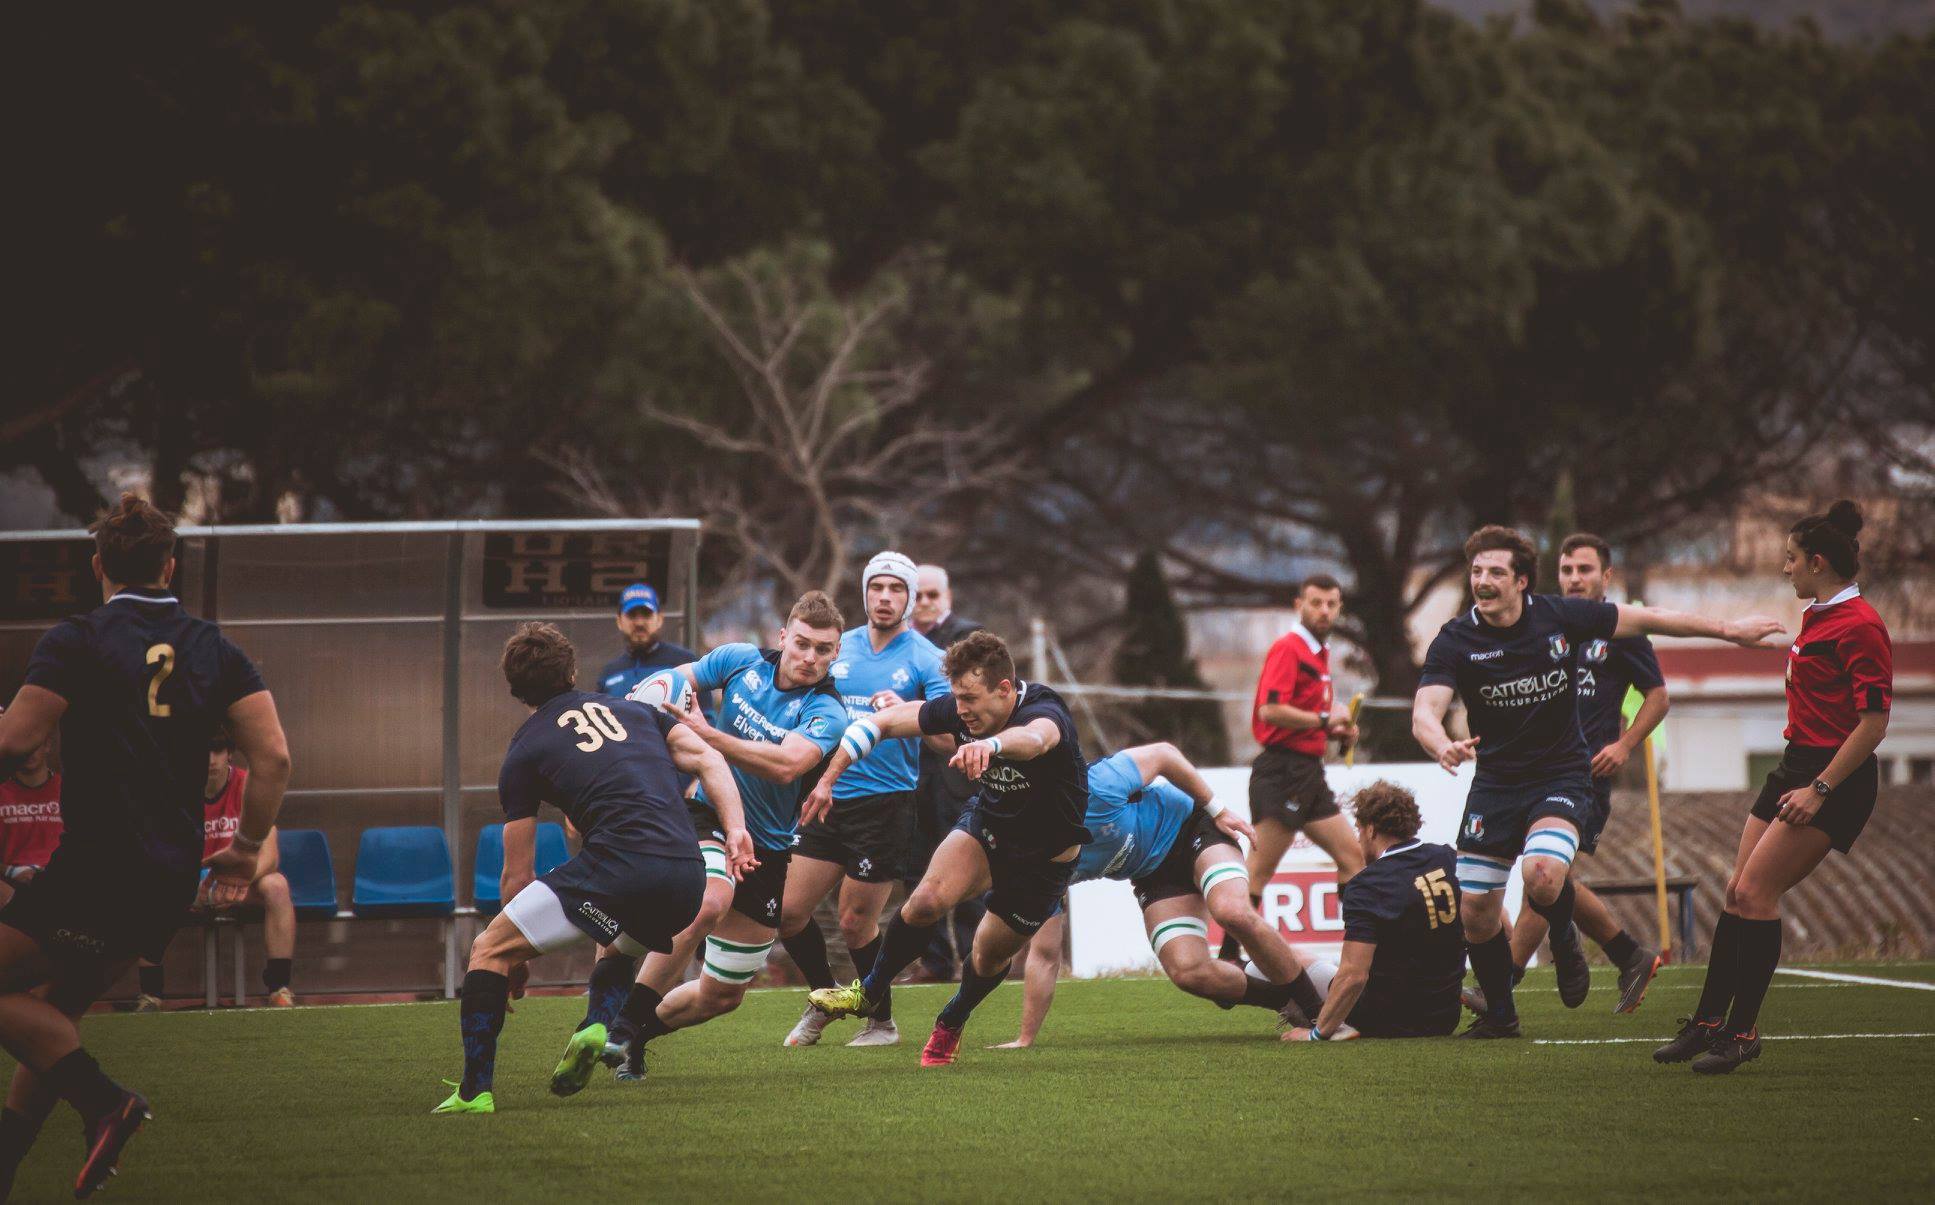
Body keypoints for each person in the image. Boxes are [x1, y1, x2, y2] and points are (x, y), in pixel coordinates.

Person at [0, 493, 291, 1197]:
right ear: (170, 565)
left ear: (97, 565)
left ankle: (105, 1100)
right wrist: (248, 846)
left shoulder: (78, 637)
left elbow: (14, 740)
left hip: (99, 871)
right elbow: (274, 757)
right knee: (54, 1012)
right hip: (167, 880)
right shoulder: (214, 647)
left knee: (37, 1010)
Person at [1412, 524, 1780, 1038]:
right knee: (1476, 910)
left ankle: (1574, 938)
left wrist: (1729, 631)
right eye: (1476, 571)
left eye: (1495, 571)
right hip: (1494, 783)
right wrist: (1439, 743)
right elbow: (1424, 711)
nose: (1483, 581)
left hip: (1562, 773)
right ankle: (1502, 1015)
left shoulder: (1561, 616)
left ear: (1521, 581)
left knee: (1542, 874)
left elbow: (1653, 618)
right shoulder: (1456, 638)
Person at [434, 623, 744, 1114]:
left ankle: (474, 1092)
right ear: (573, 671)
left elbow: (519, 874)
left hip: (620, 867)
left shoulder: (523, 750)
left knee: (488, 949)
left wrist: (515, 958)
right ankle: (597, 1024)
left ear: (514, 690)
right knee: (618, 940)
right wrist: (736, 830)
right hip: (686, 874)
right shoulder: (637, 712)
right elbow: (710, 758)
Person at [1654, 501, 1890, 1074]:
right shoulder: (1820, 615)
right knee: (1737, 891)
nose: (1785, 570)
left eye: (1790, 560)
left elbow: (1874, 723)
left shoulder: (1861, 625)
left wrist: (1821, 790)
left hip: (1834, 778)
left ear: (1817, 563)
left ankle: (1743, 1033)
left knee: (1758, 895)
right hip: (1794, 765)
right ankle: (1708, 1022)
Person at [595, 592, 849, 1082]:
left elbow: (787, 765)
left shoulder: (827, 710)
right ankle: (620, 1026)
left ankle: (637, 1036)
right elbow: (679, 680)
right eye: (802, 644)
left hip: (769, 850)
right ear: (782, 637)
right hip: (707, 815)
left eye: (823, 649)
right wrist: (647, 699)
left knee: (723, 995)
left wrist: (705, 734)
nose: (810, 657)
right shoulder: (740, 660)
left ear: (836, 653)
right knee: (710, 899)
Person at [806, 631, 1091, 1067]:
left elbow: (1035, 741)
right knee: (924, 901)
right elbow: (880, 724)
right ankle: (869, 991)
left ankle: (952, 1019)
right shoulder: (960, 713)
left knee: (988, 952)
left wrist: (991, 745)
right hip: (990, 828)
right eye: (956, 698)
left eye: (970, 699)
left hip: (1044, 858)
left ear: (1004, 689)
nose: (960, 710)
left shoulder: (1044, 711)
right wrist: (828, 777)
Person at [993, 742, 1328, 1049]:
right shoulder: (1039, 865)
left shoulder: (1097, 785)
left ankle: (1321, 1019)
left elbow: (1165, 754)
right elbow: (1045, 955)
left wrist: (1218, 809)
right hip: (1154, 874)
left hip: (1192, 828)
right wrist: (1025, 1038)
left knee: (1231, 911)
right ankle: (1291, 999)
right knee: (1188, 971)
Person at [1464, 533, 1670, 1016]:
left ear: (1607, 576)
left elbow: (1658, 697)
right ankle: (1628, 955)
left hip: (1583, 772)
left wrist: (1623, 745)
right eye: (1567, 570)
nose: (1575, 579)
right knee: (1545, 875)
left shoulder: (1620, 631)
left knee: (1544, 874)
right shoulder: (1542, 620)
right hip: (1529, 771)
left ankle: (1505, 984)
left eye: (1585, 570)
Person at [780, 553, 948, 1049]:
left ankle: (882, 1023)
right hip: (826, 795)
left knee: (856, 922)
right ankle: (824, 998)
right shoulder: (838, 646)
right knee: (789, 912)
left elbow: (951, 739)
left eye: (897, 589)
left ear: (910, 598)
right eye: (877, 587)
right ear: (865, 592)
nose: (884, 597)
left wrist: (914, 714)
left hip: (886, 805)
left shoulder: (925, 658)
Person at [1220, 574, 1363, 964]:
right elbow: (1270, 710)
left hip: (1307, 771)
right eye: (1316, 602)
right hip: (1282, 771)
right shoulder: (1289, 649)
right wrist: (1323, 721)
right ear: (1298, 605)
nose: (1324, 610)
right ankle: (1229, 954)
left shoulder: (1319, 652)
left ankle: (1359, 953)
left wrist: (1339, 733)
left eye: (1332, 604)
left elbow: (1306, 718)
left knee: (1353, 859)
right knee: (1260, 871)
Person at [1280, 781, 1465, 1042]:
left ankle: (1332, 1024)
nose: (1356, 838)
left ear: (1370, 829)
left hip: (1386, 1020)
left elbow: (1354, 975)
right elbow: (1494, 922)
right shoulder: (1447, 858)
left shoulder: (1367, 884)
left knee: (1283, 965)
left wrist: (1316, 1035)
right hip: (1445, 1016)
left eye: (1357, 829)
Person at [135, 731, 301, 1011]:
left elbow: (270, 853)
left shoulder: (250, 786)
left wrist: (240, 879)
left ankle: (279, 988)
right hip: (191, 885)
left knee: (277, 885)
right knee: (149, 889)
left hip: (242, 883)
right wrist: (190, 887)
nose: (210, 760)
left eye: (217, 750)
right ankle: (150, 995)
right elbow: (162, 852)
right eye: (203, 751)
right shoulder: (176, 789)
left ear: (229, 753)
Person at [908, 563, 984, 980]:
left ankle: (978, 957)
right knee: (918, 865)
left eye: (931, 595)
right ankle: (933, 961)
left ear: (947, 597)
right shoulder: (899, 642)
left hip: (959, 766)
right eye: (917, 595)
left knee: (970, 862)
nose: (923, 603)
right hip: (913, 771)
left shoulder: (968, 636)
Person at [596, 582, 701, 702]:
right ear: (619, 621)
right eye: (632, 615)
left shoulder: (685, 662)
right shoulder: (609, 673)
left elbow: (706, 717)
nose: (639, 623)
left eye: (646, 614)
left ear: (659, 619)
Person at [0, 738, 61, 906]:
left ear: (47, 745)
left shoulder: (68, 789)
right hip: (11, 885)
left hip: (64, 881)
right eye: (22, 746)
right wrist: (12, 872)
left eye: (34, 745)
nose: (28, 752)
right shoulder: (2, 791)